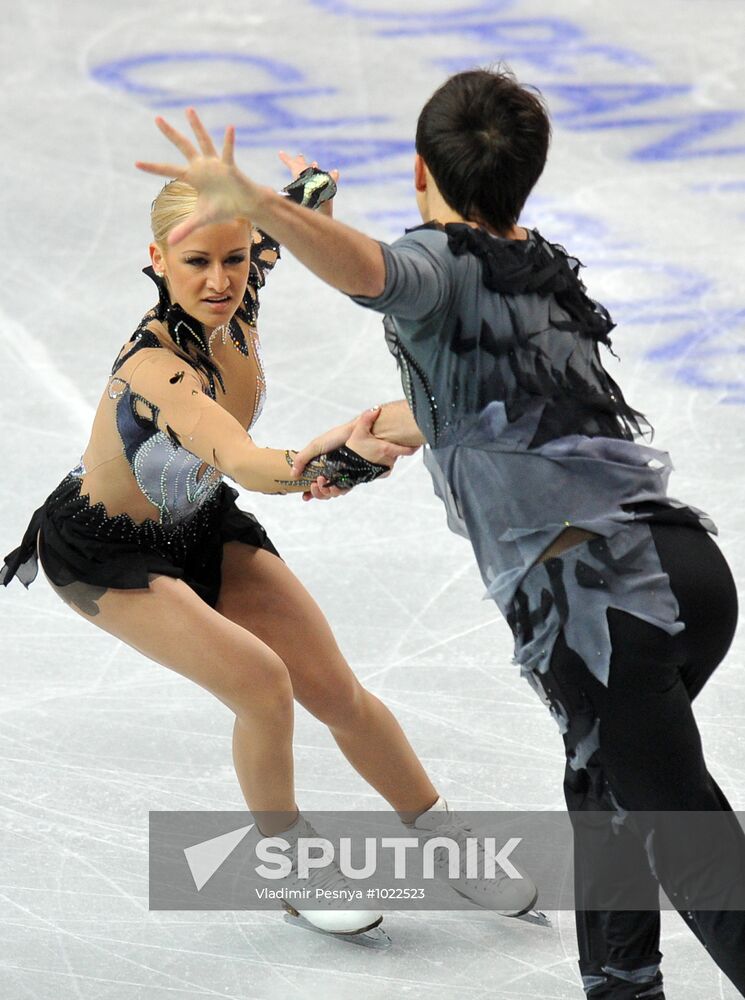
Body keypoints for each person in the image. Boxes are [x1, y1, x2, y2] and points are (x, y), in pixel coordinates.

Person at [136, 68, 744, 997]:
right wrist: (383, 425)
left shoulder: (433, 266)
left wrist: (259, 201)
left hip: (599, 607)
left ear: (420, 170)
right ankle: (622, 987)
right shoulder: (538, 264)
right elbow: (494, 408)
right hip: (685, 573)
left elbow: (372, 271)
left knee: (684, 838)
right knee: (604, 794)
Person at [0, 151, 539, 944]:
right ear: (157, 261)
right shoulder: (156, 370)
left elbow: (286, 218)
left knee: (332, 688)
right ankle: (289, 869)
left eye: (234, 259)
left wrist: (310, 189)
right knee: (262, 685)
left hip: (200, 525)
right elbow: (243, 460)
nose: (219, 281)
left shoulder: (243, 281)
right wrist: (333, 461)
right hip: (104, 553)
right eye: (196, 263)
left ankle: (439, 836)